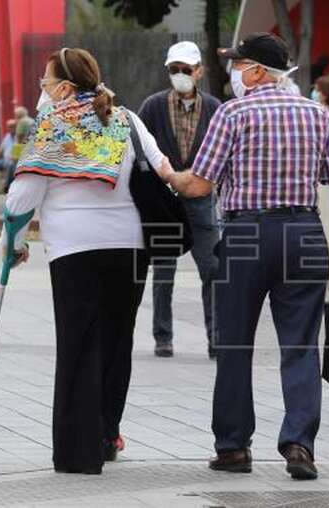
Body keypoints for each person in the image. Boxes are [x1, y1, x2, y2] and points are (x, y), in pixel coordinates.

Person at [158, 32, 329, 481]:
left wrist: (168, 174)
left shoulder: (233, 114)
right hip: (303, 232)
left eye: (238, 65)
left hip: (246, 234)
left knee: (235, 343)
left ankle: (234, 447)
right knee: (300, 345)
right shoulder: (315, 115)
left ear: (257, 71)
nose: (233, 72)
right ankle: (299, 443)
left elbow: (200, 185)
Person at [2, 47, 172, 475]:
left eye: (44, 84)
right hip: (131, 246)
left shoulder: (52, 124)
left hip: (75, 249)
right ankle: (106, 433)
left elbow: (22, 196)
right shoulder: (127, 119)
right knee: (117, 342)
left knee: (79, 346)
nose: (41, 92)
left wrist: (13, 243)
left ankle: (80, 452)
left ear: (62, 87)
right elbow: (163, 168)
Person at [138, 41, 222, 359]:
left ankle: (216, 337)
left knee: (212, 268)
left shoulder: (214, 108)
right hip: (165, 203)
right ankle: (163, 337)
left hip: (201, 200)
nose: (180, 75)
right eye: (174, 70)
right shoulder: (153, 106)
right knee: (163, 272)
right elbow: (141, 150)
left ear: (199, 71)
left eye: (185, 70)